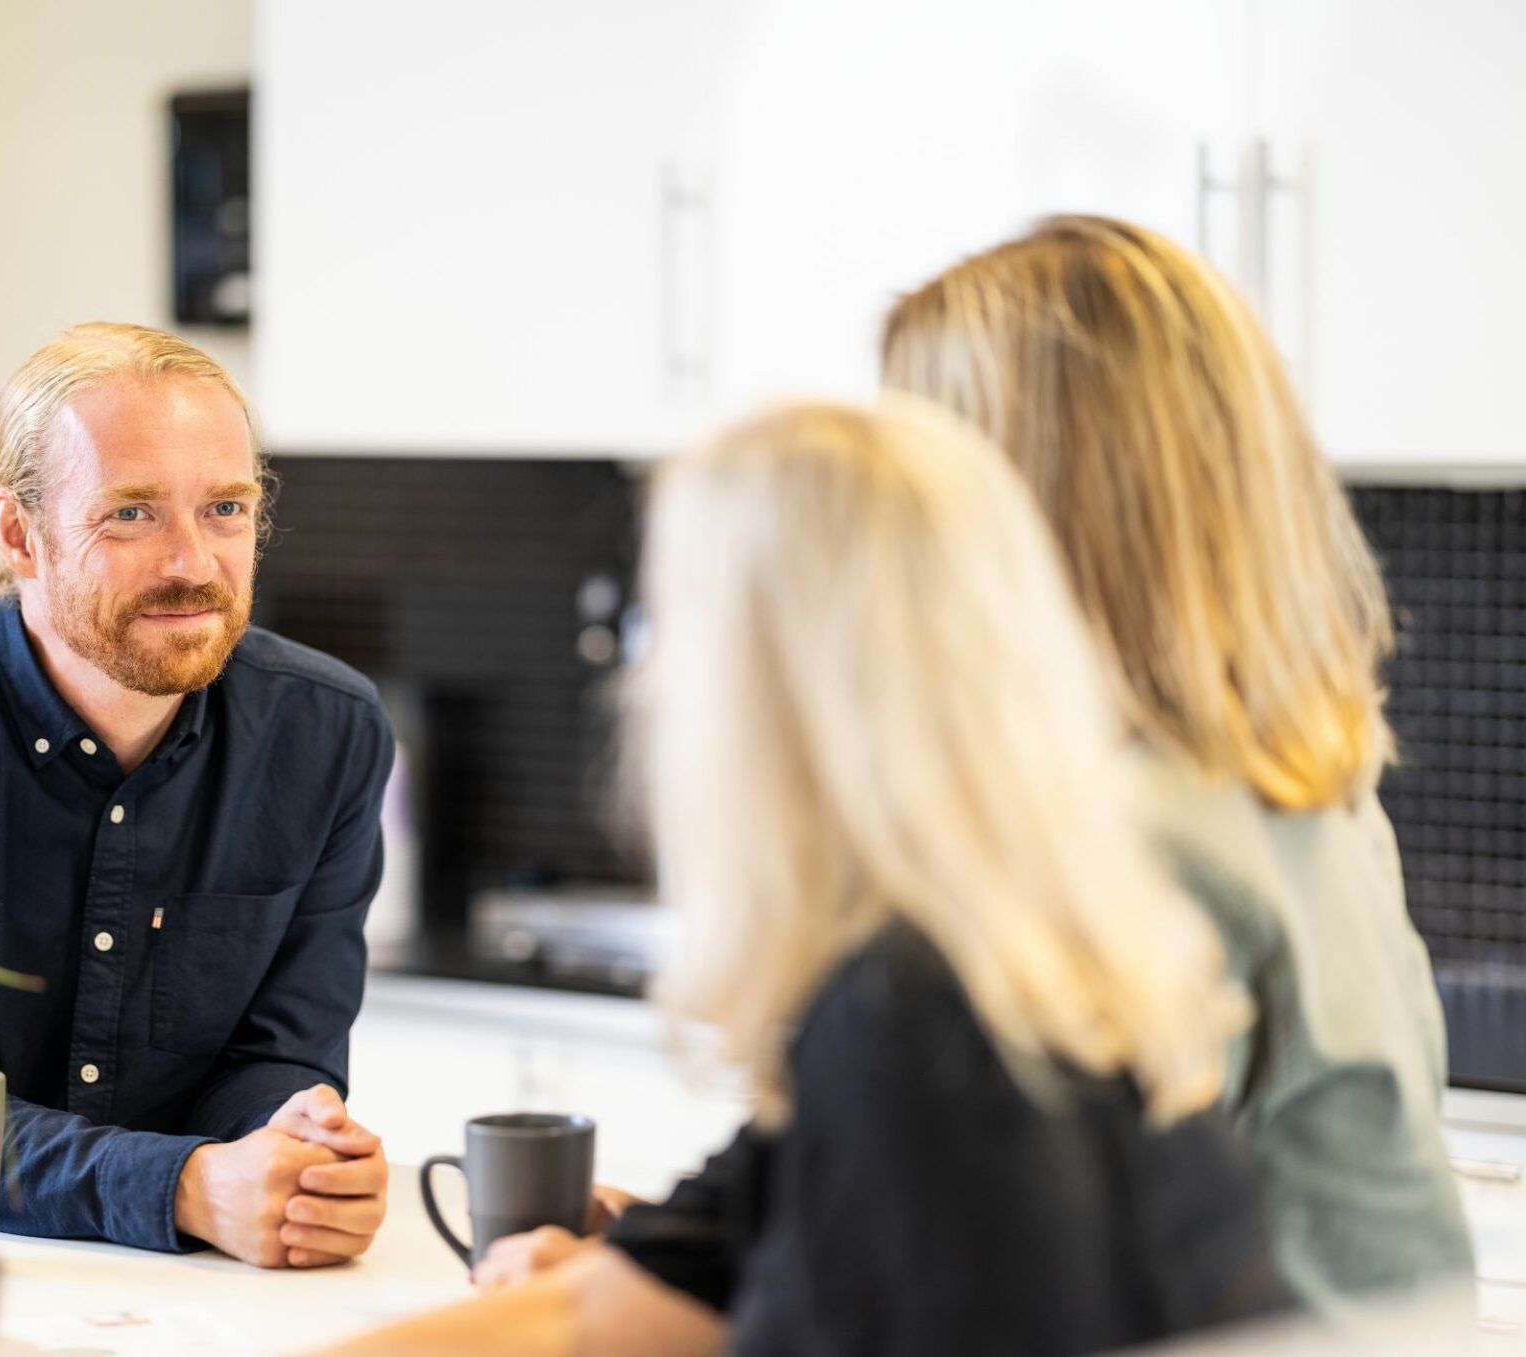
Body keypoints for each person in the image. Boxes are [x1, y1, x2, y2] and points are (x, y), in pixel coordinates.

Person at [308, 399, 1289, 1357]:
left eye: (676, 632)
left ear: (769, 684)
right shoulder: (996, 962)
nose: (648, 685)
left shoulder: (914, 1028)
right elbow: (642, 1293)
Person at [877, 215, 1474, 1306]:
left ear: (1036, 504)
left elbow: (1006, 1289)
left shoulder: (1132, 846)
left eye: (919, 474)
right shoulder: (1294, 786)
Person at [0, 322, 393, 1267]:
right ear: (19, 534)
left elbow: (278, 1057)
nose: (191, 561)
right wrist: (189, 1187)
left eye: (225, 507)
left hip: (195, 1291)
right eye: (131, 514)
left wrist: (299, 1151)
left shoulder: (329, 734)